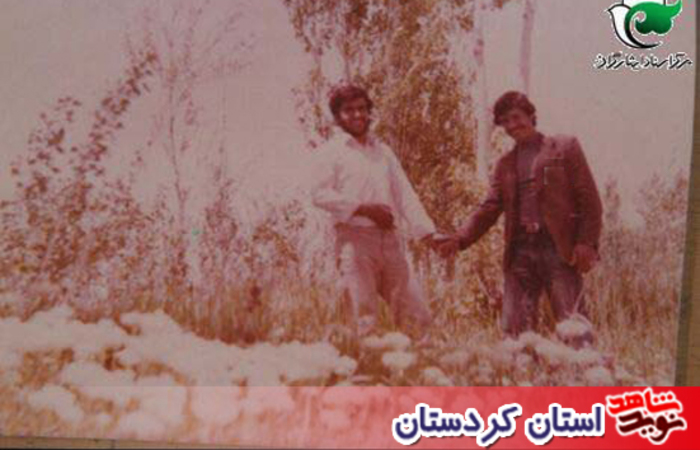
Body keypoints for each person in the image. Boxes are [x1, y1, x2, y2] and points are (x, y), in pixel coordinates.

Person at [435, 91, 603, 338]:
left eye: (516, 117)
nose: (512, 125)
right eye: (505, 121)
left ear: (531, 115)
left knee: (574, 325)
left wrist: (586, 243)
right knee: (515, 331)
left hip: (558, 249)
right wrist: (459, 239)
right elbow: (489, 208)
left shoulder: (564, 147)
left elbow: (590, 200)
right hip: (520, 251)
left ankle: (583, 364)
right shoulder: (504, 164)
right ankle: (521, 363)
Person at [311, 84, 437, 338]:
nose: (357, 115)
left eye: (362, 108)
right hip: (354, 242)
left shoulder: (383, 152)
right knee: (363, 319)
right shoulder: (331, 152)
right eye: (349, 110)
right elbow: (319, 194)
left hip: (390, 241)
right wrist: (362, 208)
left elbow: (405, 194)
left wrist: (427, 233)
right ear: (337, 117)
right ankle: (363, 363)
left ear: (369, 111)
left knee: (417, 317)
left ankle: (420, 362)